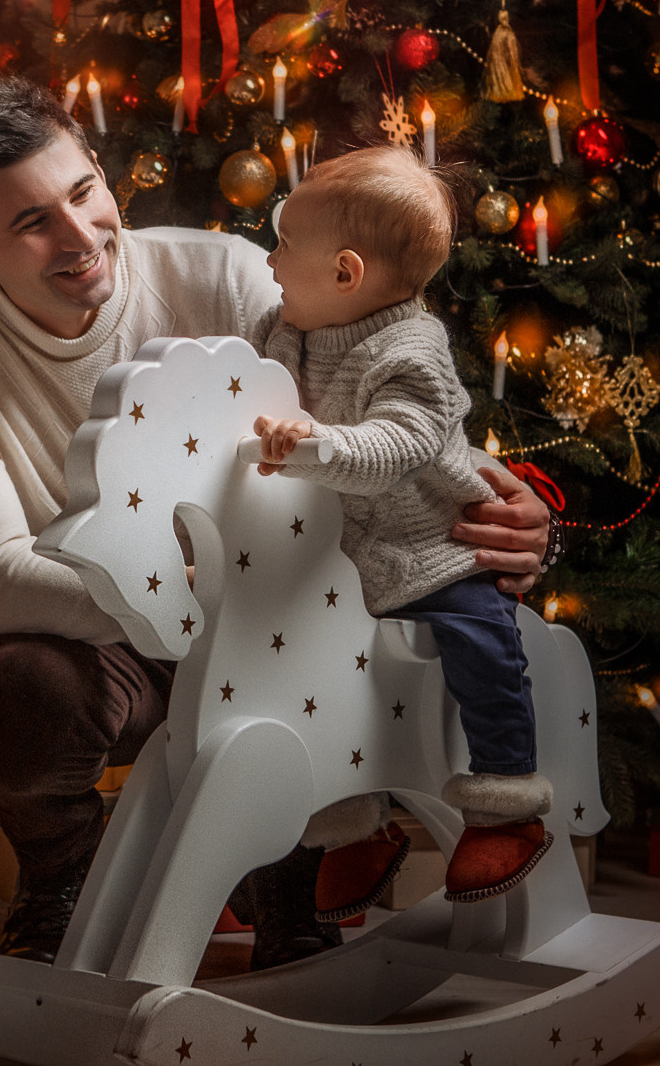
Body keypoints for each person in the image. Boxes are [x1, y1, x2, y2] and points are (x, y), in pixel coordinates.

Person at [0, 74, 550, 967]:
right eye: (33, 223)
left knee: (291, 643)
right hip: (105, 624)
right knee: (20, 686)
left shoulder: (227, 275)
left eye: (83, 193)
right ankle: (60, 892)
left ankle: (290, 899)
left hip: (276, 611)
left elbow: (380, 409)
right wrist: (194, 605)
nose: (82, 239)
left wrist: (499, 498)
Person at [251, 146, 554, 903]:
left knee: (484, 641)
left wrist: (316, 446)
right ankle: (356, 826)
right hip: (343, 564)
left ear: (346, 273)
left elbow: (397, 447)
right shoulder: (292, 329)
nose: (271, 259)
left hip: (434, 551)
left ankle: (505, 805)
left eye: (286, 243)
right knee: (304, 674)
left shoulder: (413, 350)